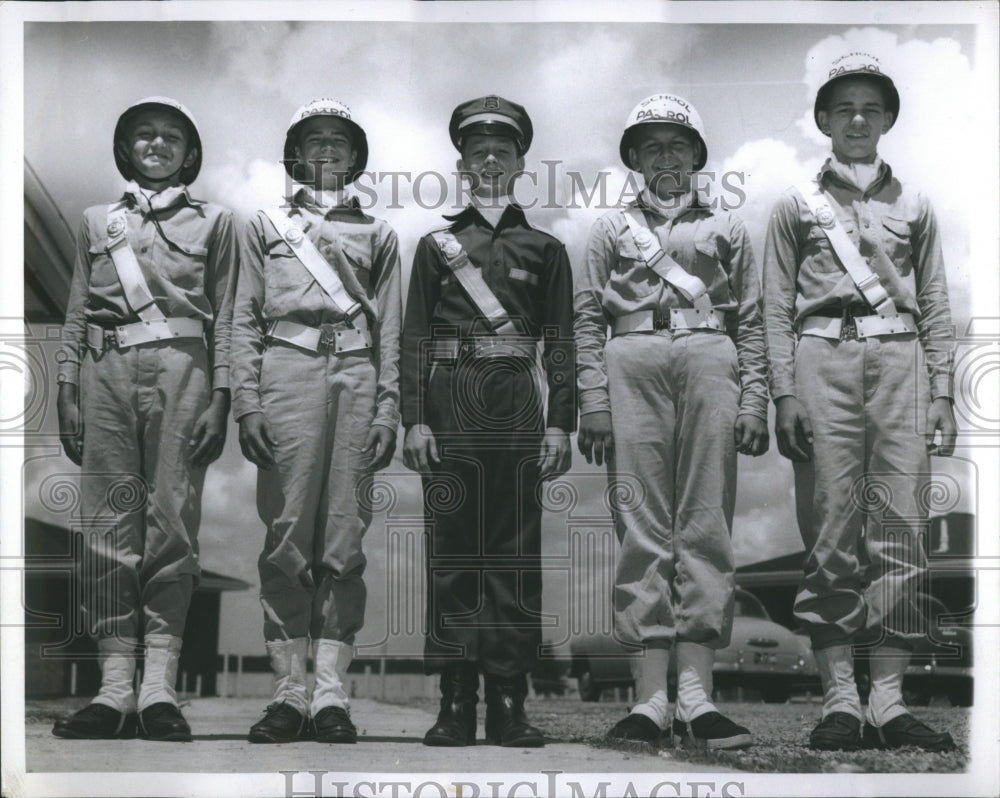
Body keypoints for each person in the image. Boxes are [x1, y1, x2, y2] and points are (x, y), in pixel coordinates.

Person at [763, 53, 956, 752]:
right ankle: (841, 700)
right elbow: (774, 305)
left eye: (871, 107)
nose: (857, 119)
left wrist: (940, 392)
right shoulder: (795, 204)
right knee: (830, 530)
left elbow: (934, 301)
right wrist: (783, 392)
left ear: (887, 119)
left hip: (901, 360)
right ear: (823, 120)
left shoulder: (918, 203)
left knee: (900, 530)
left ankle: (892, 702)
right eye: (843, 107)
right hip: (822, 359)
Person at [574, 93, 769, 749]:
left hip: (712, 357)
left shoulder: (730, 226)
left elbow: (754, 321)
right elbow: (583, 319)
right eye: (651, 145)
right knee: (640, 526)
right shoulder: (606, 230)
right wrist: (592, 398)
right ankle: (651, 699)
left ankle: (697, 696)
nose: (665, 155)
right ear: (633, 157)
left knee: (705, 523)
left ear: (696, 156)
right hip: (630, 359)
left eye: (677, 144)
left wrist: (756, 399)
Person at [53, 97, 237, 742]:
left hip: (184, 372)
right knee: (105, 527)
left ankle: (158, 688)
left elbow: (232, 316)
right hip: (106, 372)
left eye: (170, 137)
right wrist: (66, 382)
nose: (156, 145)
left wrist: (223, 397)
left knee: (171, 526)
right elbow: (78, 309)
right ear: (125, 148)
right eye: (142, 135)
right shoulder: (95, 220)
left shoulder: (218, 223)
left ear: (190, 152)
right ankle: (112, 691)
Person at [401, 95, 575, 748]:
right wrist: (414, 419)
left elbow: (560, 341)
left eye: (503, 149)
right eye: (479, 151)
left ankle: (509, 699)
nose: (491, 158)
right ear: (463, 165)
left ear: (522, 161)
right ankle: (454, 698)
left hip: (515, 400)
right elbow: (415, 336)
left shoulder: (547, 247)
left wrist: (561, 422)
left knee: (514, 551)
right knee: (452, 550)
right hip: (451, 394)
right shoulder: (435, 246)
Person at [231, 98, 401, 744]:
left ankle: (330, 693)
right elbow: (243, 318)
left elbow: (393, 328)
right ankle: (287, 691)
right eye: (314, 139)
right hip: (287, 371)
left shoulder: (380, 234)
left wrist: (389, 406)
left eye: (340, 140)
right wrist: (246, 401)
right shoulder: (264, 226)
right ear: (295, 154)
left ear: (356, 156)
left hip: (355, 374)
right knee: (285, 532)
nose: (327, 149)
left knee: (344, 536)